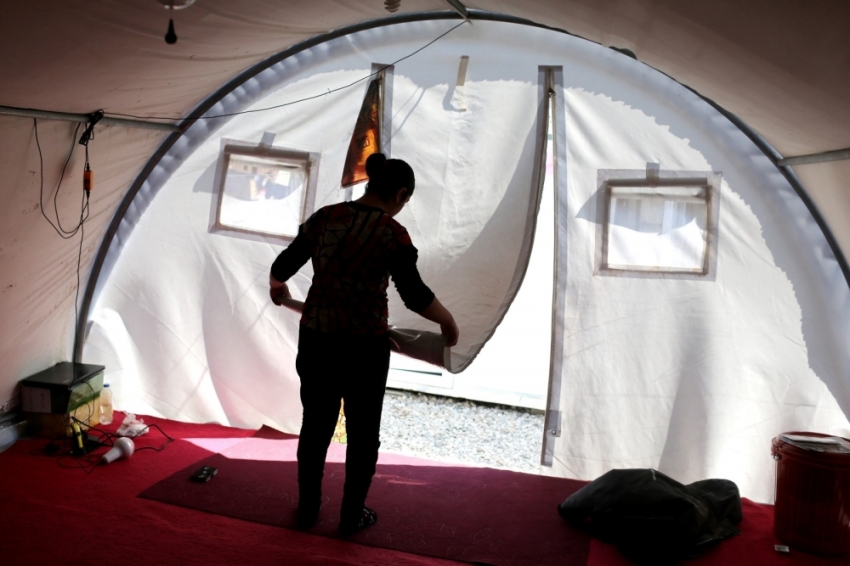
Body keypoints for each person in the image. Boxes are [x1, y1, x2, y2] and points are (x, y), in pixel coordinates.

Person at [269, 152, 459, 536]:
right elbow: (414, 295)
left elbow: (282, 266)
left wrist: (278, 290)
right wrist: (449, 323)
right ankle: (350, 515)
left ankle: (308, 511)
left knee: (316, 425)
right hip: (363, 348)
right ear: (400, 193)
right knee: (362, 433)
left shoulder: (325, 218)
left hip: (318, 340)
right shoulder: (393, 234)